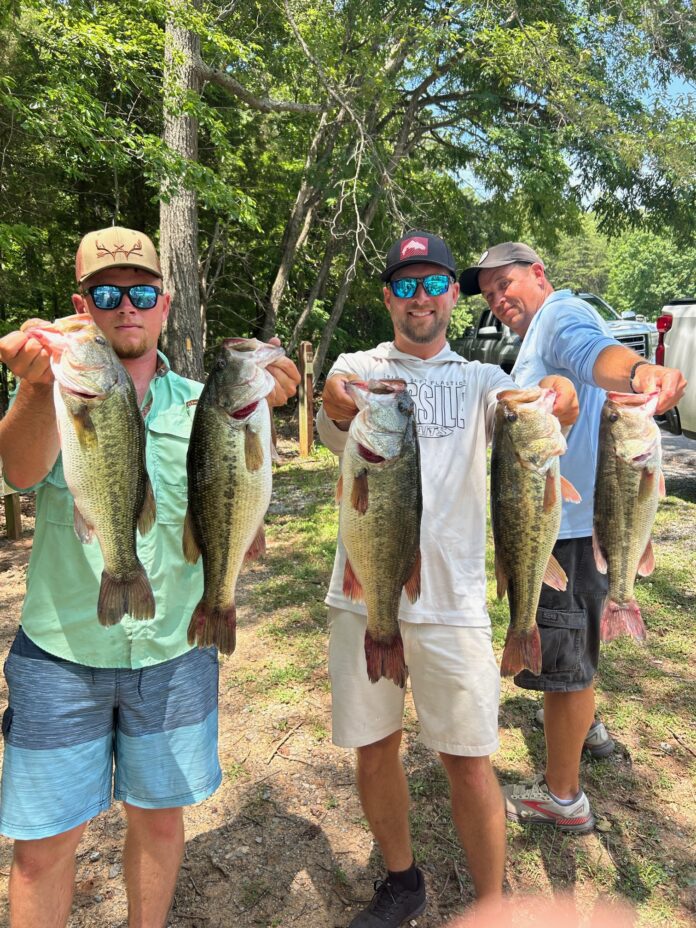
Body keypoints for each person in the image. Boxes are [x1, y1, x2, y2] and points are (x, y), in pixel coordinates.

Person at [0, 226, 300, 928]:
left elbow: (235, 498)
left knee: (161, 822)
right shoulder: (53, 391)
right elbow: (17, 472)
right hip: (62, 654)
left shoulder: (206, 404)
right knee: (43, 847)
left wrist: (270, 403)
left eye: (141, 292)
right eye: (107, 295)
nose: (126, 307)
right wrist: (33, 388)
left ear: (165, 303)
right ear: (82, 306)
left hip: (174, 651)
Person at [317, 230, 579, 928]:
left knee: (469, 758)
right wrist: (338, 400)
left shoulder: (482, 380)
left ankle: (492, 908)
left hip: (455, 599)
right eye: (406, 285)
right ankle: (402, 881)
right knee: (375, 747)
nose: (421, 297)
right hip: (365, 591)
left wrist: (559, 395)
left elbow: (544, 411)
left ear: (453, 297)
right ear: (387, 297)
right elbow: (334, 406)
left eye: (435, 283)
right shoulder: (361, 366)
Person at [459, 242, 687, 833]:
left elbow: (594, 353)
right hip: (571, 524)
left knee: (564, 663)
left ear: (539, 273)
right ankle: (586, 727)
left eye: (506, 283)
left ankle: (562, 797)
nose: (498, 299)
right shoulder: (537, 333)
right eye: (489, 293)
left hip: (568, 530)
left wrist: (639, 374)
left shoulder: (561, 315)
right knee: (574, 643)